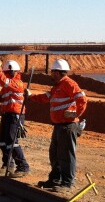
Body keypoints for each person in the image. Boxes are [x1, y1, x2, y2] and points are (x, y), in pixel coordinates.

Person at [30, 59, 87, 191]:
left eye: (53, 72)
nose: (51, 74)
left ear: (58, 72)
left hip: (68, 125)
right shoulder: (57, 86)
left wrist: (75, 113)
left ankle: (67, 183)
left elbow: (82, 99)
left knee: (66, 155)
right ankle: (55, 179)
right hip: (59, 125)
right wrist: (30, 96)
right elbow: (46, 97)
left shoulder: (69, 84)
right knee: (54, 153)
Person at [0, 58, 30, 177]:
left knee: (11, 141)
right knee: (2, 140)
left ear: (15, 72)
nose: (7, 74)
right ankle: (8, 164)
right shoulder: (7, 86)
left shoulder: (17, 83)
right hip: (7, 113)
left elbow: (3, 80)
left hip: (15, 115)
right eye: (6, 72)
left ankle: (23, 166)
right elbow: (3, 97)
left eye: (9, 72)